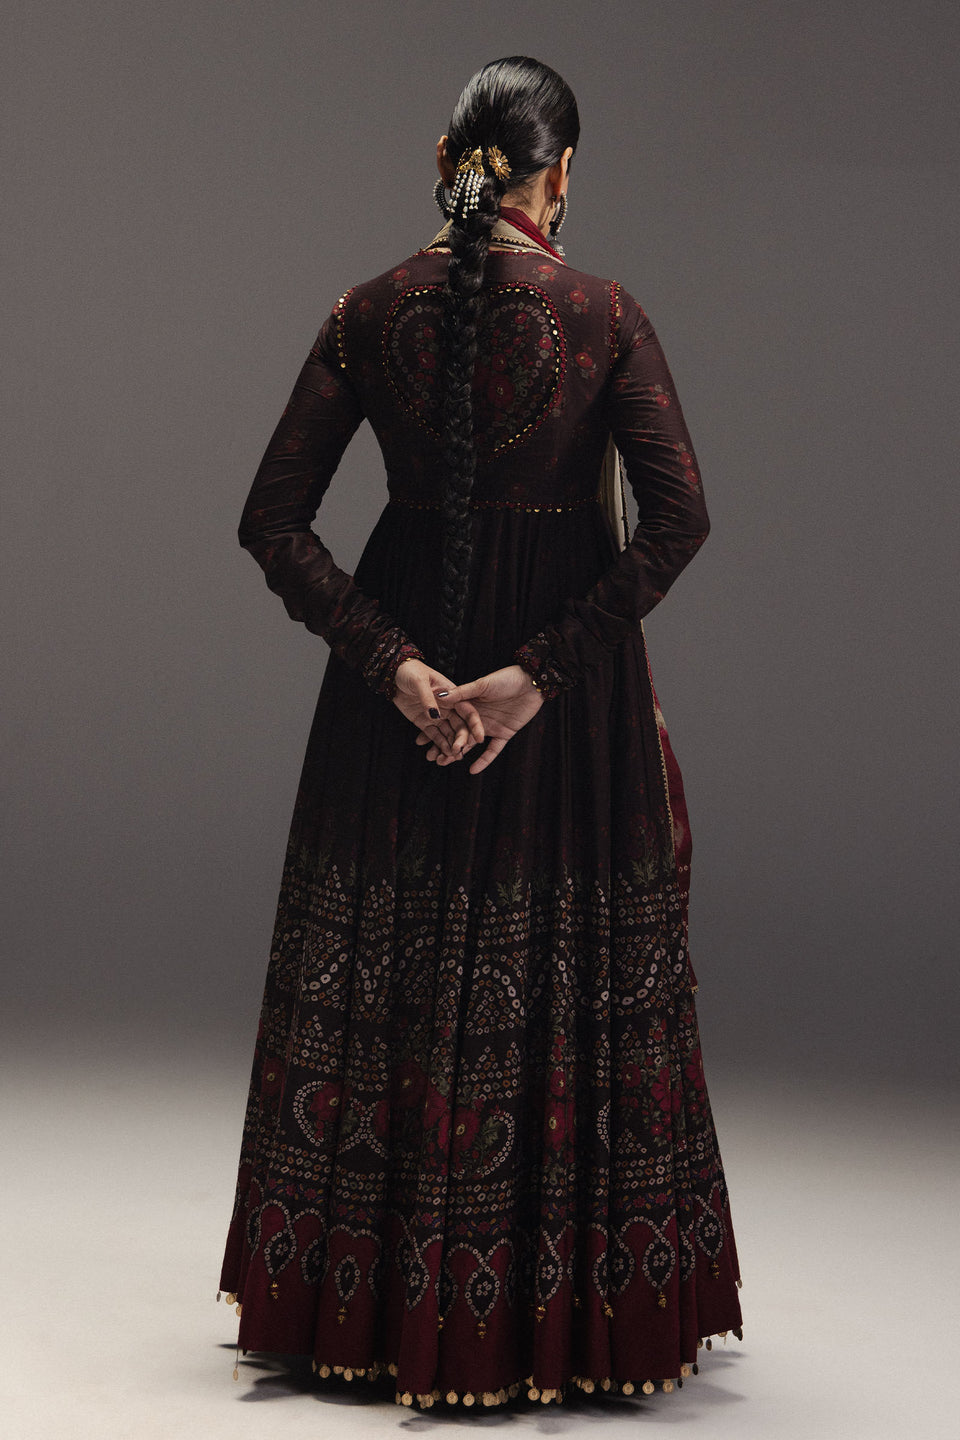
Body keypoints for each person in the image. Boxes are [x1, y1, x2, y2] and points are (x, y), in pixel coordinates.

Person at [217, 54, 743, 1411]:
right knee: (563, 975)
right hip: (564, 707)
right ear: (559, 178)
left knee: (387, 969)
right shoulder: (605, 313)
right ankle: (565, 1324)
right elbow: (679, 521)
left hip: (395, 699)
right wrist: (537, 676)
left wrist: (395, 666)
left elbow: (272, 522)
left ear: (443, 162)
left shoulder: (366, 311)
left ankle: (356, 1308)